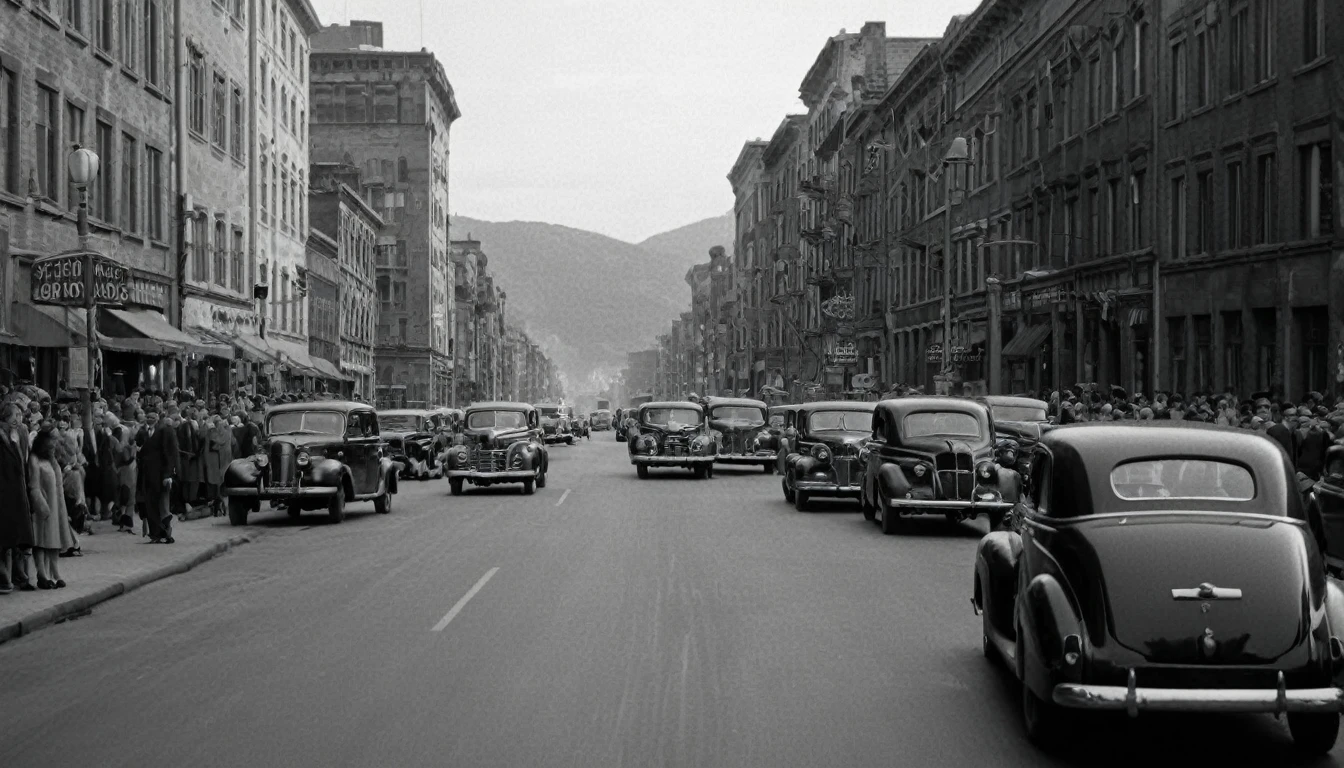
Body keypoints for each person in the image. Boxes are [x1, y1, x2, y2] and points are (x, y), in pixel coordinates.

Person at [28, 428, 75, 589]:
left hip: (56, 507)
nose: (55, 443)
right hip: (43, 507)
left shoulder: (51, 459)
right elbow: (34, 486)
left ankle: (55, 573)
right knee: (41, 541)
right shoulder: (34, 459)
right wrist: (41, 505)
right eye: (52, 440)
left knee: (54, 540)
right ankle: (42, 574)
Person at [0, 403, 36, 594]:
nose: (18, 419)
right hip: (6, 490)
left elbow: (24, 461)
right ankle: (6, 574)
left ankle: (18, 572)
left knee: (18, 533)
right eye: (15, 415)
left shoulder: (20, 433)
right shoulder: (3, 435)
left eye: (21, 415)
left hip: (18, 489)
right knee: (7, 534)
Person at [137, 410, 180, 544]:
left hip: (161, 475)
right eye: (147, 416)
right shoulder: (143, 432)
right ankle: (155, 533)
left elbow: (169, 453)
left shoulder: (165, 431)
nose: (149, 419)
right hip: (147, 475)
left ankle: (166, 533)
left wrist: (168, 474)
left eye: (152, 417)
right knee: (150, 505)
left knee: (163, 505)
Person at [203, 414, 234, 517]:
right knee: (220, 482)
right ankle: (221, 506)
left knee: (220, 482)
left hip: (221, 460)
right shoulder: (225, 431)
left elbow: (218, 442)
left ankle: (221, 505)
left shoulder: (216, 432)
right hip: (218, 460)